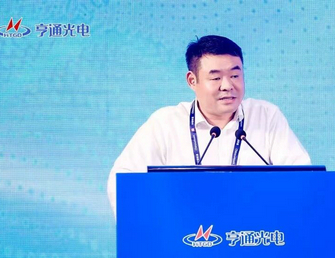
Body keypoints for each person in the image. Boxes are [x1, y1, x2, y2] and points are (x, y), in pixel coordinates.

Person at [107, 35, 311, 214]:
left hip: (253, 232)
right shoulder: (166, 123)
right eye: (215, 78)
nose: (228, 86)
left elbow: (303, 179)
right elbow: (122, 180)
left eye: (235, 76)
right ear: (192, 80)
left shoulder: (266, 116)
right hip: (185, 233)